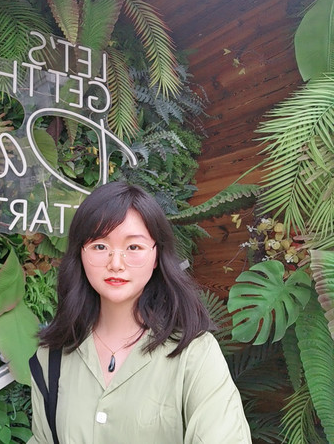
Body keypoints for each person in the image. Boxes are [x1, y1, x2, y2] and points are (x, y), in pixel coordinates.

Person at [28, 182, 251, 443]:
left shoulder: (194, 354)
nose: (115, 263)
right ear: (80, 253)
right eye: (100, 246)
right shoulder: (51, 357)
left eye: (133, 247)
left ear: (156, 256)